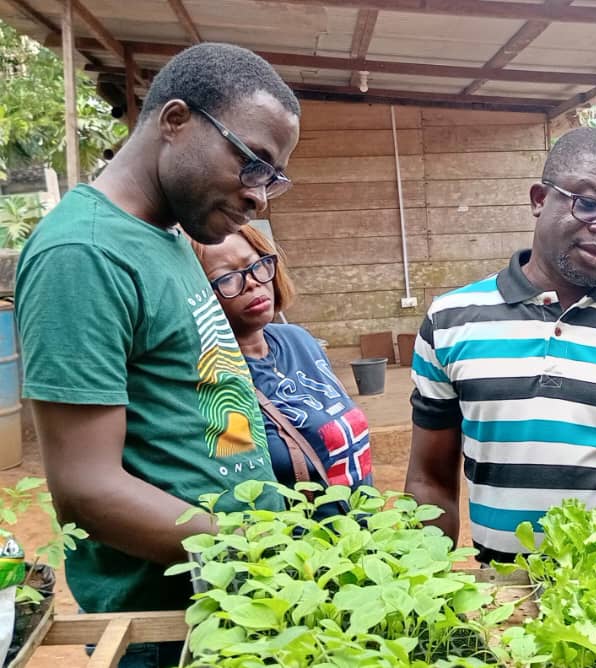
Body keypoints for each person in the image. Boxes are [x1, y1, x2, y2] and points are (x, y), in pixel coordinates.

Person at [15, 43, 300, 667]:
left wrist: (274, 528)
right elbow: (86, 490)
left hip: (235, 606)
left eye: (272, 178)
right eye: (254, 164)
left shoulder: (170, 237)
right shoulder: (84, 253)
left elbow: (207, 407)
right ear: (175, 121)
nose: (260, 198)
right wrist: (259, 553)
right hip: (167, 628)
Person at [405, 127, 596, 564]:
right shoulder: (451, 320)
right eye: (588, 203)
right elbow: (430, 482)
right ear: (539, 199)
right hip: (506, 592)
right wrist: (425, 590)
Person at [193, 227, 374, 497]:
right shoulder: (211, 376)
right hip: (299, 537)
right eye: (228, 278)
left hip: (363, 532)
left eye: (257, 265)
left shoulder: (299, 340)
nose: (252, 282)